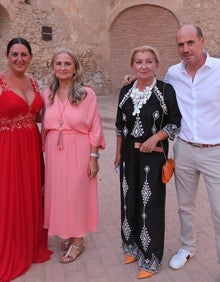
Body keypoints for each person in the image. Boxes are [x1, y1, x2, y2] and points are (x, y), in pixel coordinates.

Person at [114, 45, 181, 279]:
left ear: (156, 65)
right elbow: (119, 127)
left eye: (149, 61)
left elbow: (174, 122)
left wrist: (155, 137)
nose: (144, 66)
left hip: (153, 156)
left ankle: (151, 258)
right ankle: (132, 247)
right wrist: (117, 155)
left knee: (148, 205)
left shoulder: (165, 90)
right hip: (129, 156)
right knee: (128, 201)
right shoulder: (125, 91)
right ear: (133, 65)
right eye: (139, 62)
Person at [164, 24, 220, 270]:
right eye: (180, 44)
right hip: (184, 149)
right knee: (185, 206)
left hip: (215, 152)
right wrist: (135, 82)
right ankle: (187, 246)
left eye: (190, 43)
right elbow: (160, 95)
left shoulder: (219, 70)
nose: (185, 49)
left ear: (202, 42)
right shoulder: (173, 73)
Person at [42, 48, 106, 264]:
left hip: (79, 149)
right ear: (52, 67)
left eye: (67, 64)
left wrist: (94, 157)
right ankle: (69, 233)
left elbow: (95, 127)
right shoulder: (47, 95)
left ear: (75, 68)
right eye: (58, 63)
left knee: (77, 194)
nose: (62, 68)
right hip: (54, 151)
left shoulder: (87, 94)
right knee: (60, 193)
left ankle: (78, 240)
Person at [0, 38, 52, 282]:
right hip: (7, 148)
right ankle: (11, 246)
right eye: (14, 54)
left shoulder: (33, 82)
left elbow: (42, 114)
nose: (19, 59)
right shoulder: (0, 82)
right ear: (7, 56)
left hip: (32, 147)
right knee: (10, 196)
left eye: (23, 54)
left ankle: (30, 243)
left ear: (30, 57)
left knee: (30, 193)